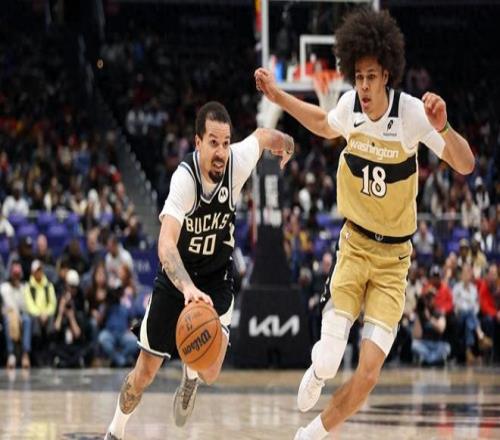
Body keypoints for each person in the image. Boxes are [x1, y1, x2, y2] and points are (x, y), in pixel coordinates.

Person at [255, 9, 474, 440]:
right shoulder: (349, 106)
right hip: (354, 247)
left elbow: (465, 164)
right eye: (358, 77)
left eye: (372, 77)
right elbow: (322, 123)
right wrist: (278, 97)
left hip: (394, 260)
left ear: (387, 75)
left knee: (370, 372)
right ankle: (318, 370)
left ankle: (311, 434)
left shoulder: (411, 114)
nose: (364, 86)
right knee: (329, 358)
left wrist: (445, 126)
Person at [104, 101, 294, 439]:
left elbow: (264, 135)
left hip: (217, 277)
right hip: (177, 278)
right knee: (144, 373)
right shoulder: (185, 180)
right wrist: (187, 288)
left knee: (210, 371)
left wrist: (287, 144)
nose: (221, 152)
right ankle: (115, 431)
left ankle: (190, 376)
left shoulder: (237, 162)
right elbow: (165, 244)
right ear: (197, 142)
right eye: (213, 143)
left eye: (225, 142)